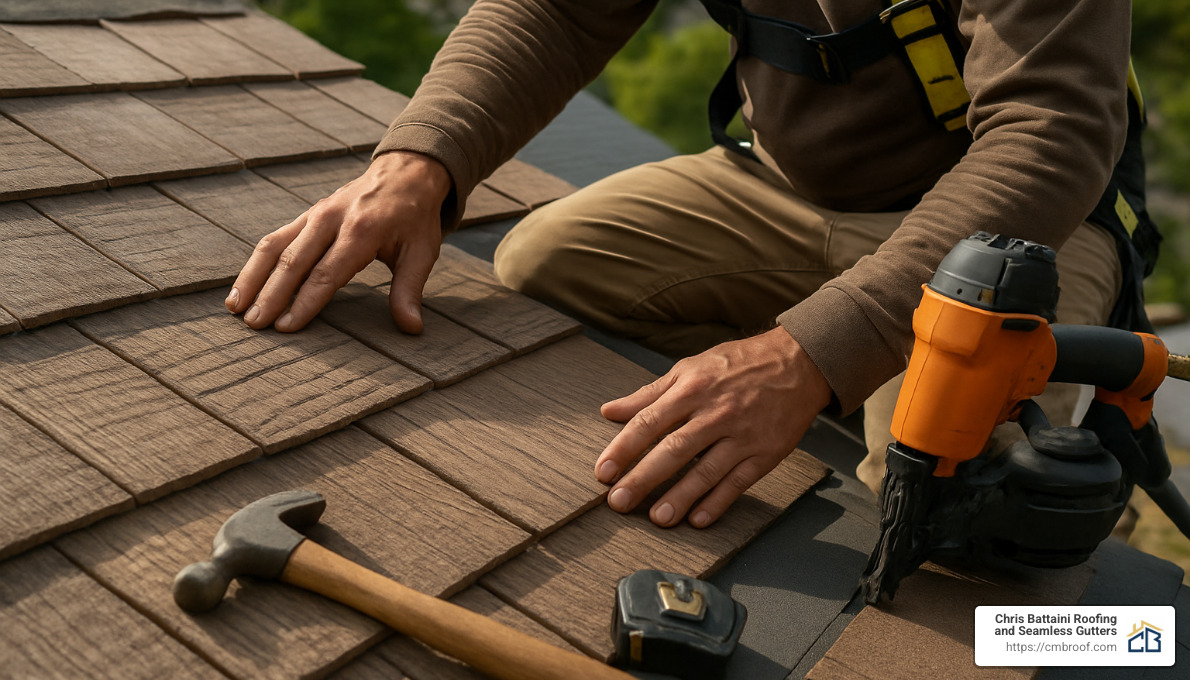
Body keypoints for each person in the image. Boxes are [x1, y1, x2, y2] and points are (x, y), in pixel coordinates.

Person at [225, 0, 1146, 530]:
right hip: (788, 189)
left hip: (1014, 227)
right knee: (541, 263)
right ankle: (806, 396)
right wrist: (419, 162)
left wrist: (813, 354)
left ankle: (1092, 632)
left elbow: (1049, 131)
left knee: (948, 503)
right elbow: (555, 12)